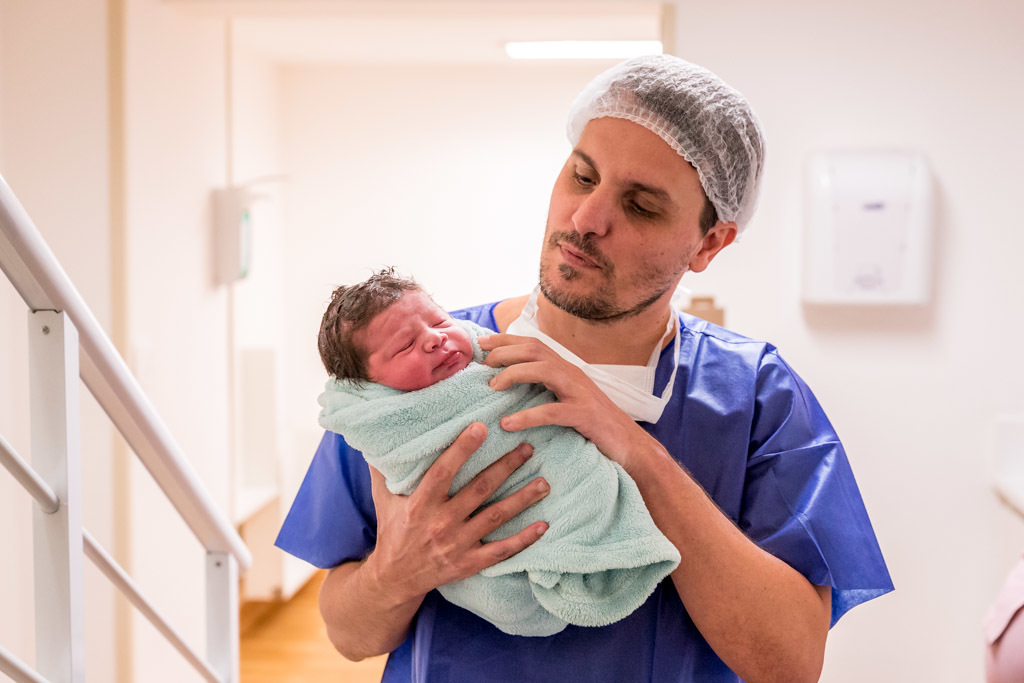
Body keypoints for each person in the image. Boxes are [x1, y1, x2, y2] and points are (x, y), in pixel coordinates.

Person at [276, 54, 893, 683]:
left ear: (709, 243)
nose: (586, 219)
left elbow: (790, 663)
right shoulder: (416, 379)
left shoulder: (756, 398)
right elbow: (349, 634)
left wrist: (629, 446)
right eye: (582, 175)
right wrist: (396, 573)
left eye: (642, 206)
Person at [313, 271, 680, 637]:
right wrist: (391, 575)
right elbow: (346, 636)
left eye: (440, 321)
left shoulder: (500, 352)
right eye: (405, 345)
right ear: (368, 385)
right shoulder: (375, 428)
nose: (435, 338)